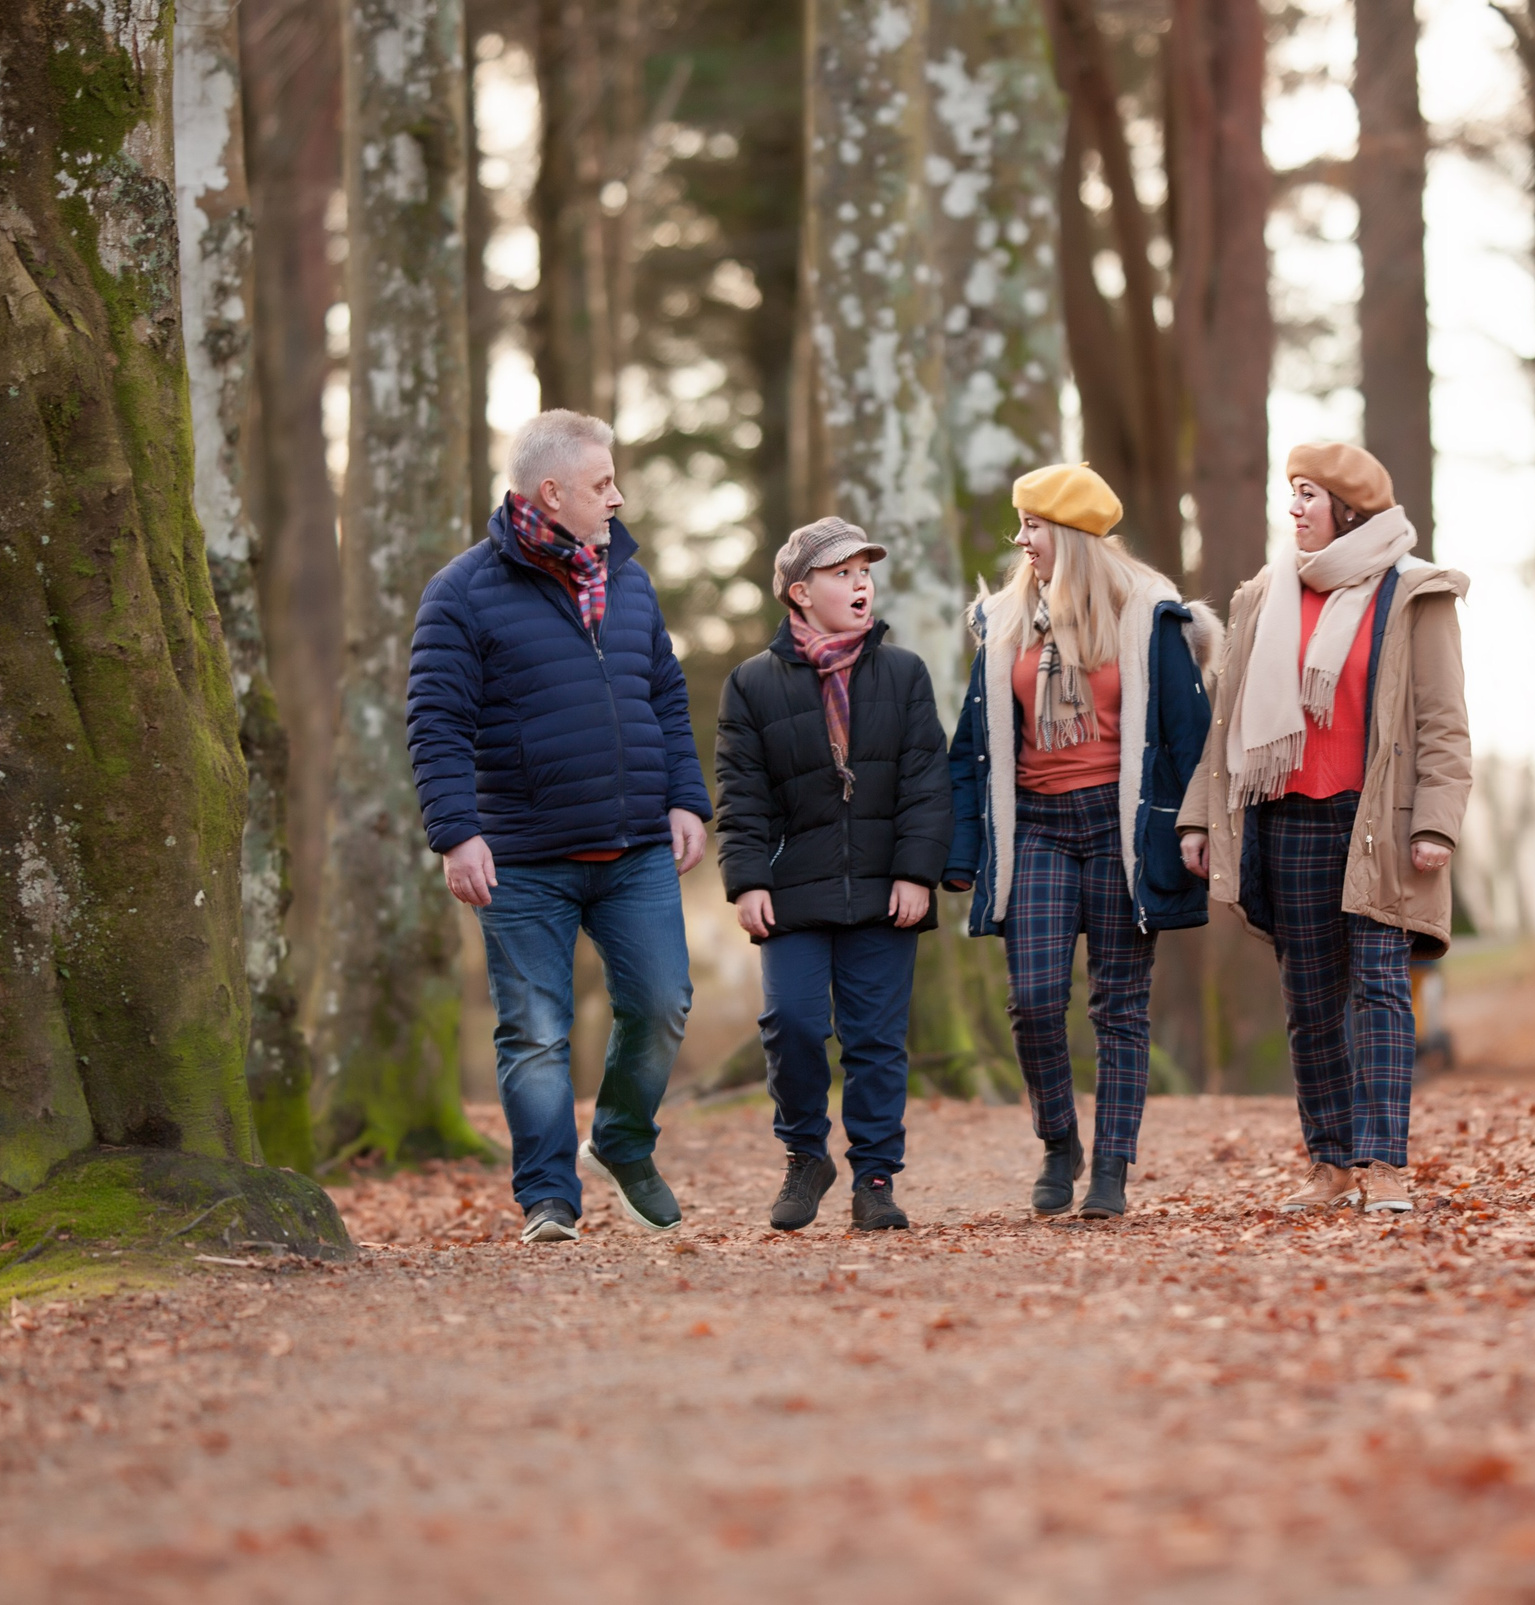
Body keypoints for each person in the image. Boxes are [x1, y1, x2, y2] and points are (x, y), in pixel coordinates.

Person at [408, 409, 711, 1244]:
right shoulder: (462, 593)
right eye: (602, 483)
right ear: (550, 491)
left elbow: (666, 697)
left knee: (661, 1002)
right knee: (535, 1030)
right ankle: (548, 1195)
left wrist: (687, 798)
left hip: (636, 845)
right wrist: (455, 832)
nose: (617, 498)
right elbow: (435, 723)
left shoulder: (632, 581)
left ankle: (620, 1136)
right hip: (521, 856)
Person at [1176, 443, 1470, 1214]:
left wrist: (1436, 823)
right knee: (1310, 999)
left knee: (1379, 989)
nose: (1295, 508)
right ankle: (1331, 1163)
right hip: (1286, 820)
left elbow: (1443, 725)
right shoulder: (1264, 595)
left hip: (1378, 822)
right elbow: (1229, 720)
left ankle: (1387, 1167)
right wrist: (1201, 816)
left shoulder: (1411, 592)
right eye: (1291, 494)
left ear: (1348, 507)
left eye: (1308, 494)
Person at [945, 464, 1221, 1219]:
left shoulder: (1146, 615)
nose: (1021, 540)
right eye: (1020, 526)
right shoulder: (1003, 621)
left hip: (1120, 825)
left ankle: (1112, 1167)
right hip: (1037, 822)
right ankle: (1059, 1139)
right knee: (1033, 998)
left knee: (1120, 1006)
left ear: (1069, 534)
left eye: (1033, 526)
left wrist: (1195, 827)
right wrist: (961, 850)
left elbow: (1189, 740)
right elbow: (973, 743)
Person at [715, 518, 953, 1233]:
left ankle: (874, 1178)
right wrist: (748, 878)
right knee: (789, 1021)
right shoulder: (751, 684)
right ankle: (803, 1154)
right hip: (792, 886)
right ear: (799, 592)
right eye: (841, 573)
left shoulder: (903, 672)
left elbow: (925, 782)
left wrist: (917, 872)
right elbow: (741, 790)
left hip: (885, 888)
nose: (860, 584)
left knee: (875, 1037)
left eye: (864, 572)